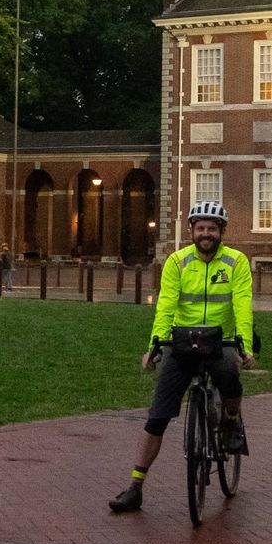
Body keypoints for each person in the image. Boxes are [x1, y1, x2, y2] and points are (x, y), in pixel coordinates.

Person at [109, 200, 256, 513]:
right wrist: (155, 346)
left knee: (229, 375)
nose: (206, 233)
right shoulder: (177, 262)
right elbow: (166, 306)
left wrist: (244, 345)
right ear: (191, 230)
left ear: (221, 232)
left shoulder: (236, 262)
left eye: (212, 229)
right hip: (183, 341)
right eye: (200, 228)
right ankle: (135, 486)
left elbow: (242, 303)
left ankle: (231, 422)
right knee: (158, 416)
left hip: (223, 339)